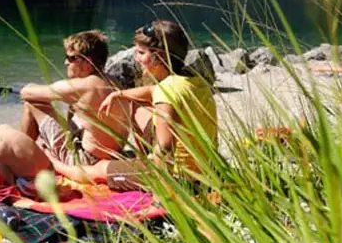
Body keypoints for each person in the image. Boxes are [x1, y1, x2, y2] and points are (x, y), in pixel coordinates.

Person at [49, 20, 218, 192]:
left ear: (158, 57)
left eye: (141, 53)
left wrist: (161, 194)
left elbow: (166, 147)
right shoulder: (192, 81)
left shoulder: (165, 92)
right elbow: (152, 91)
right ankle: (141, 159)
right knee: (137, 105)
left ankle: (56, 165)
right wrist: (120, 94)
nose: (136, 58)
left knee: (101, 168)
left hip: (180, 180)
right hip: (204, 170)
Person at [19, 30, 131, 168]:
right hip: (114, 155)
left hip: (86, 160)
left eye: (71, 58)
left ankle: (20, 160)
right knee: (73, 109)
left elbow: (26, 92)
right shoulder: (114, 82)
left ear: (87, 62)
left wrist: (32, 87)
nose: (66, 62)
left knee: (32, 104)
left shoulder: (84, 86)